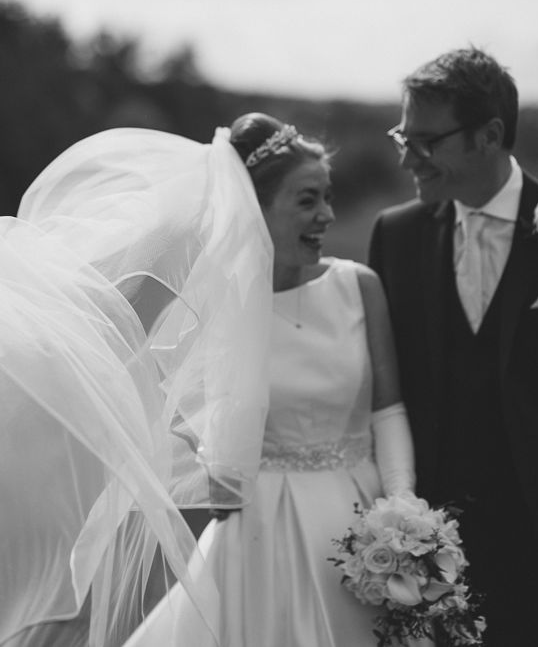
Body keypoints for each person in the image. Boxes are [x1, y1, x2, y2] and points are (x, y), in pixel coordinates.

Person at [0, 127, 275, 646]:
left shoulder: (176, 212)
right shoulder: (194, 227)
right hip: (56, 399)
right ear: (259, 195)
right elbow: (120, 329)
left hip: (22, 373)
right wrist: (148, 421)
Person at [368, 46, 538, 646]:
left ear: (489, 135)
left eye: (426, 142)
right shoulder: (394, 235)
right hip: (418, 553)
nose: (408, 158)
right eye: (403, 136)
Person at [124, 112, 423, 647]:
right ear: (252, 211)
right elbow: (177, 407)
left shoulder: (359, 287)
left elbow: (388, 409)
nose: (327, 215)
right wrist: (213, 458)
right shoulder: (220, 309)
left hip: (361, 526)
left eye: (328, 197)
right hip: (258, 536)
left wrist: (401, 510)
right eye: (307, 200)